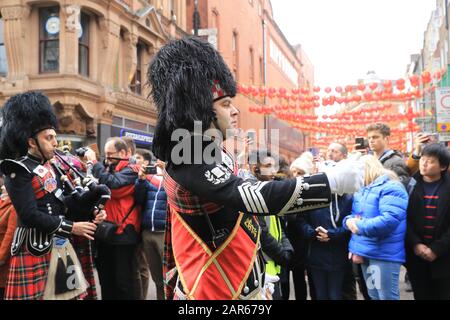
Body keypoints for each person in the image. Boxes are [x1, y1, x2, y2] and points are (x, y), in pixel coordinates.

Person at [147, 37, 363, 300]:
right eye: (225, 104)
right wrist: (329, 183)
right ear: (199, 110)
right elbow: (255, 197)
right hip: (212, 291)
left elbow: (241, 221)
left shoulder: (209, 150)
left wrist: (257, 273)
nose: (235, 111)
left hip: (237, 281)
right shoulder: (188, 156)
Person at [0, 91, 107, 300]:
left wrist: (91, 212)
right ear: (32, 142)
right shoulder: (17, 170)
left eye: (55, 137)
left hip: (60, 243)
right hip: (34, 247)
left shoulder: (53, 166)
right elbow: (29, 214)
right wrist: (71, 227)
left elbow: (63, 203)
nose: (55, 143)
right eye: (49, 138)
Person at [343, 155, 408, 300]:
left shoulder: (391, 187)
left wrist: (356, 225)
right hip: (367, 252)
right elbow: (354, 215)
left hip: (383, 253)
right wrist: (348, 221)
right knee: (374, 295)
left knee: (386, 296)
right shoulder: (363, 189)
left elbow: (388, 221)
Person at [85, 137, 141, 300]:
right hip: (105, 232)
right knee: (106, 281)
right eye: (105, 155)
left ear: (123, 153)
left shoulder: (132, 169)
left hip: (124, 234)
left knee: (123, 282)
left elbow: (113, 186)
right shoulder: (107, 169)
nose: (107, 158)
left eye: (110, 154)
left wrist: (95, 163)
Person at [297, 159, 353, 300]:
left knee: (335, 295)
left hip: (338, 254)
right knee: (320, 295)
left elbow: (350, 225)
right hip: (316, 253)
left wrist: (331, 234)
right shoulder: (312, 197)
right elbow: (301, 220)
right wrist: (313, 233)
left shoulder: (347, 198)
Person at [405, 143, 450, 300]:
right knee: (421, 294)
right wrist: (415, 244)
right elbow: (404, 219)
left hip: (444, 257)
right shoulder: (409, 185)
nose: (424, 164)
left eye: (430, 161)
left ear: (442, 167)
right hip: (416, 256)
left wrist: (436, 249)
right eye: (423, 159)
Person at [247, 150, 293, 300]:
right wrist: (282, 254)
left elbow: (278, 224)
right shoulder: (251, 192)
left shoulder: (267, 189)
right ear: (255, 168)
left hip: (273, 266)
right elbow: (261, 231)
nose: (274, 171)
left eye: (275, 166)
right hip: (261, 269)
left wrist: (287, 249)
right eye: (268, 166)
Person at [134, 149, 167, 300]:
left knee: (168, 276)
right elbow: (139, 199)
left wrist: (169, 174)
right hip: (148, 232)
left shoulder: (174, 178)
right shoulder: (150, 178)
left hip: (164, 234)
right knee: (157, 279)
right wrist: (141, 180)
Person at [0, 184, 17, 299]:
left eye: (5, 185)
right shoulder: (2, 201)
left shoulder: (14, 207)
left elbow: (10, 235)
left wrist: (1, 258)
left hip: (3, 259)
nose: (2, 187)